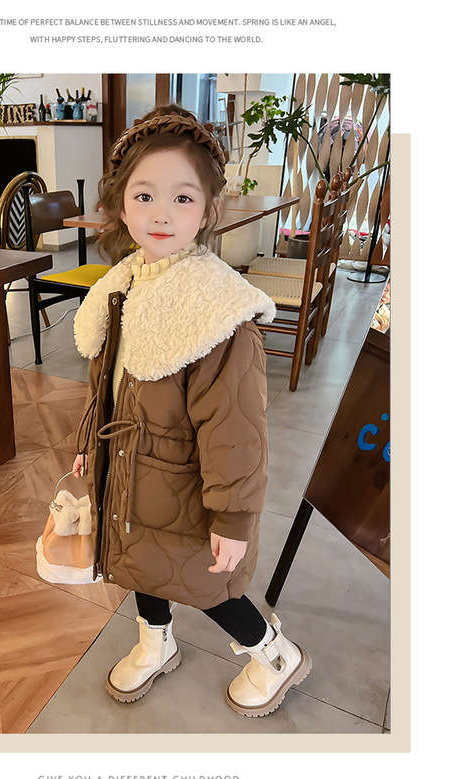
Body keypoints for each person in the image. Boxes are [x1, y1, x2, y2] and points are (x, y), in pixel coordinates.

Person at [69, 104, 311, 717]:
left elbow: (237, 432)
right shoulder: (122, 285)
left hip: (187, 485)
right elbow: (108, 383)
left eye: (182, 198)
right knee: (140, 564)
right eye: (144, 195)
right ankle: (156, 642)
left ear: (207, 211)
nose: (160, 213)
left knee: (208, 581)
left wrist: (233, 517)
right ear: (121, 206)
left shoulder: (217, 311)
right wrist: (89, 445)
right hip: (131, 472)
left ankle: (275, 654)